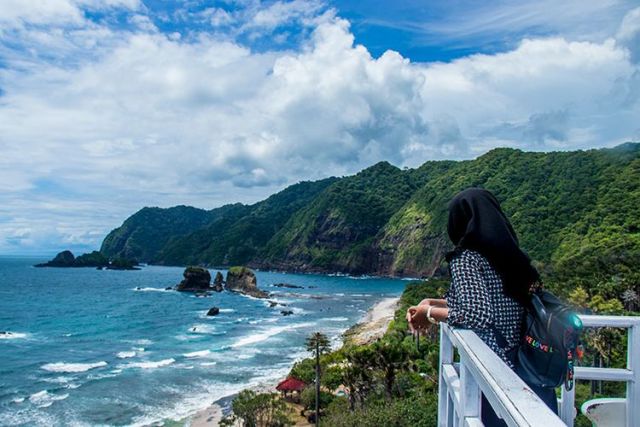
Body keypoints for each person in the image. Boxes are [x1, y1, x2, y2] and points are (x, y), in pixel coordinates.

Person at [406, 188, 557, 426]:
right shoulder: (512, 257)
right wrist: (432, 303)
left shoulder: (467, 258)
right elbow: (494, 303)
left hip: (497, 373)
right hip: (530, 369)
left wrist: (428, 314)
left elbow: (477, 315)